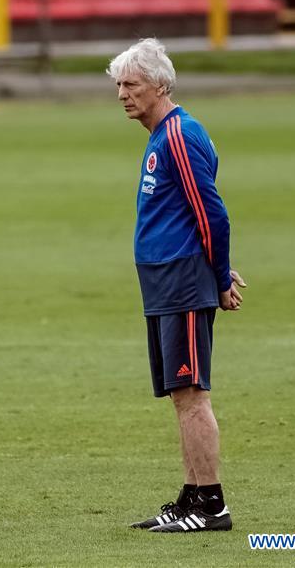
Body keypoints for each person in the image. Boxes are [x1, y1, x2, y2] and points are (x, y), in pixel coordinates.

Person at [106, 38, 247, 533]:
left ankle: (211, 506)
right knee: (179, 394)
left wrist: (217, 275)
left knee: (191, 392)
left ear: (160, 85)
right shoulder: (159, 135)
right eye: (119, 84)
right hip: (164, 281)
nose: (123, 93)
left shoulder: (179, 136)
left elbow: (212, 214)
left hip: (184, 280)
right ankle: (191, 497)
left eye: (132, 84)